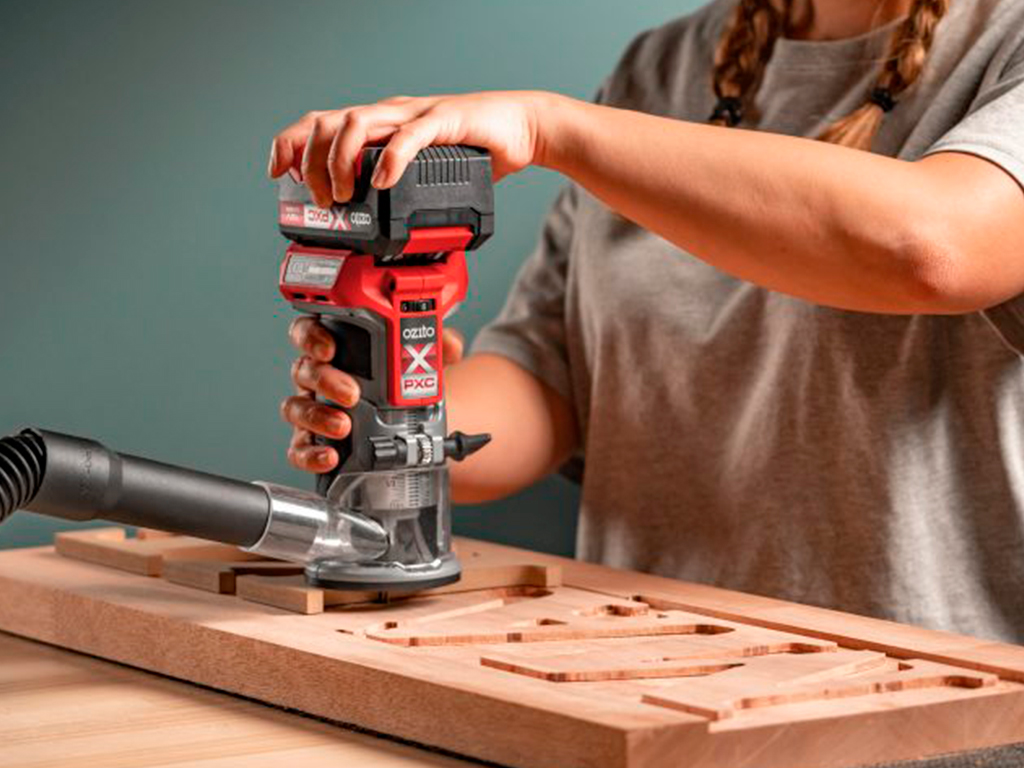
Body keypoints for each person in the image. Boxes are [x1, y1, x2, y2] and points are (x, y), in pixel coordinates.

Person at [268, 0, 1024, 642]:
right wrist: (397, 404)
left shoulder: (1003, 45)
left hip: (929, 694)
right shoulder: (658, 69)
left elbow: (934, 248)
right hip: (645, 663)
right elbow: (548, 383)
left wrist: (553, 129)